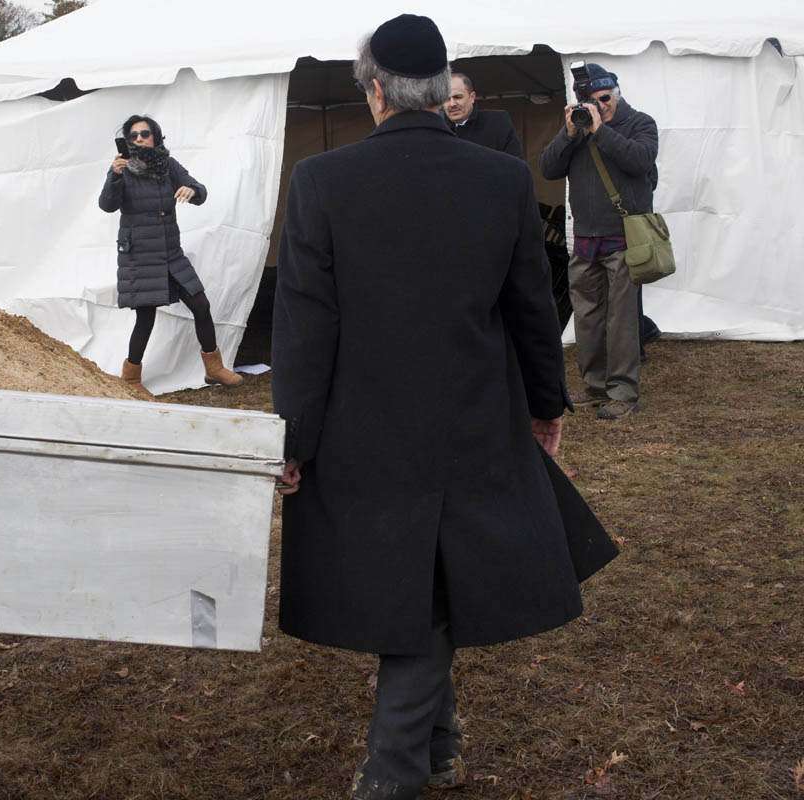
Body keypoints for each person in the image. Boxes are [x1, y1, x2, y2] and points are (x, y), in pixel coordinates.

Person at [271, 16, 616, 799]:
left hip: (368, 427)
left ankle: (393, 775)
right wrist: (545, 402)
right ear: (438, 94)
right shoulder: (500, 178)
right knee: (427, 582)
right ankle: (440, 744)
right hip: (470, 417)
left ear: (376, 94)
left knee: (416, 594)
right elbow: (535, 308)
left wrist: (292, 437)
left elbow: (303, 326)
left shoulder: (320, 183)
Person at [539, 63, 658, 420]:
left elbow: (639, 160)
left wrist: (600, 129)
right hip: (586, 238)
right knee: (588, 319)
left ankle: (623, 392)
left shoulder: (640, 123)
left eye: (604, 98)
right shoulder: (576, 129)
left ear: (616, 93)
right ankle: (595, 386)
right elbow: (547, 167)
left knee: (622, 320)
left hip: (625, 237)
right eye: (590, 100)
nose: (598, 105)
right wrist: (569, 132)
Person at [99, 114, 242, 388]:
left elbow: (200, 191)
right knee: (146, 317)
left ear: (155, 136)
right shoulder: (122, 169)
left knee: (200, 304)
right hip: (139, 255)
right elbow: (107, 205)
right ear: (127, 142)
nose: (139, 139)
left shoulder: (169, 166)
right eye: (133, 136)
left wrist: (191, 189)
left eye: (145, 133)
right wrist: (114, 175)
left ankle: (214, 369)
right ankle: (130, 380)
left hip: (169, 252)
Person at [442, 72, 523, 159]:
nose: (452, 104)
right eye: (446, 99)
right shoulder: (436, 129)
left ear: (472, 97)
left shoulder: (497, 123)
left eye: (458, 97)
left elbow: (516, 166)